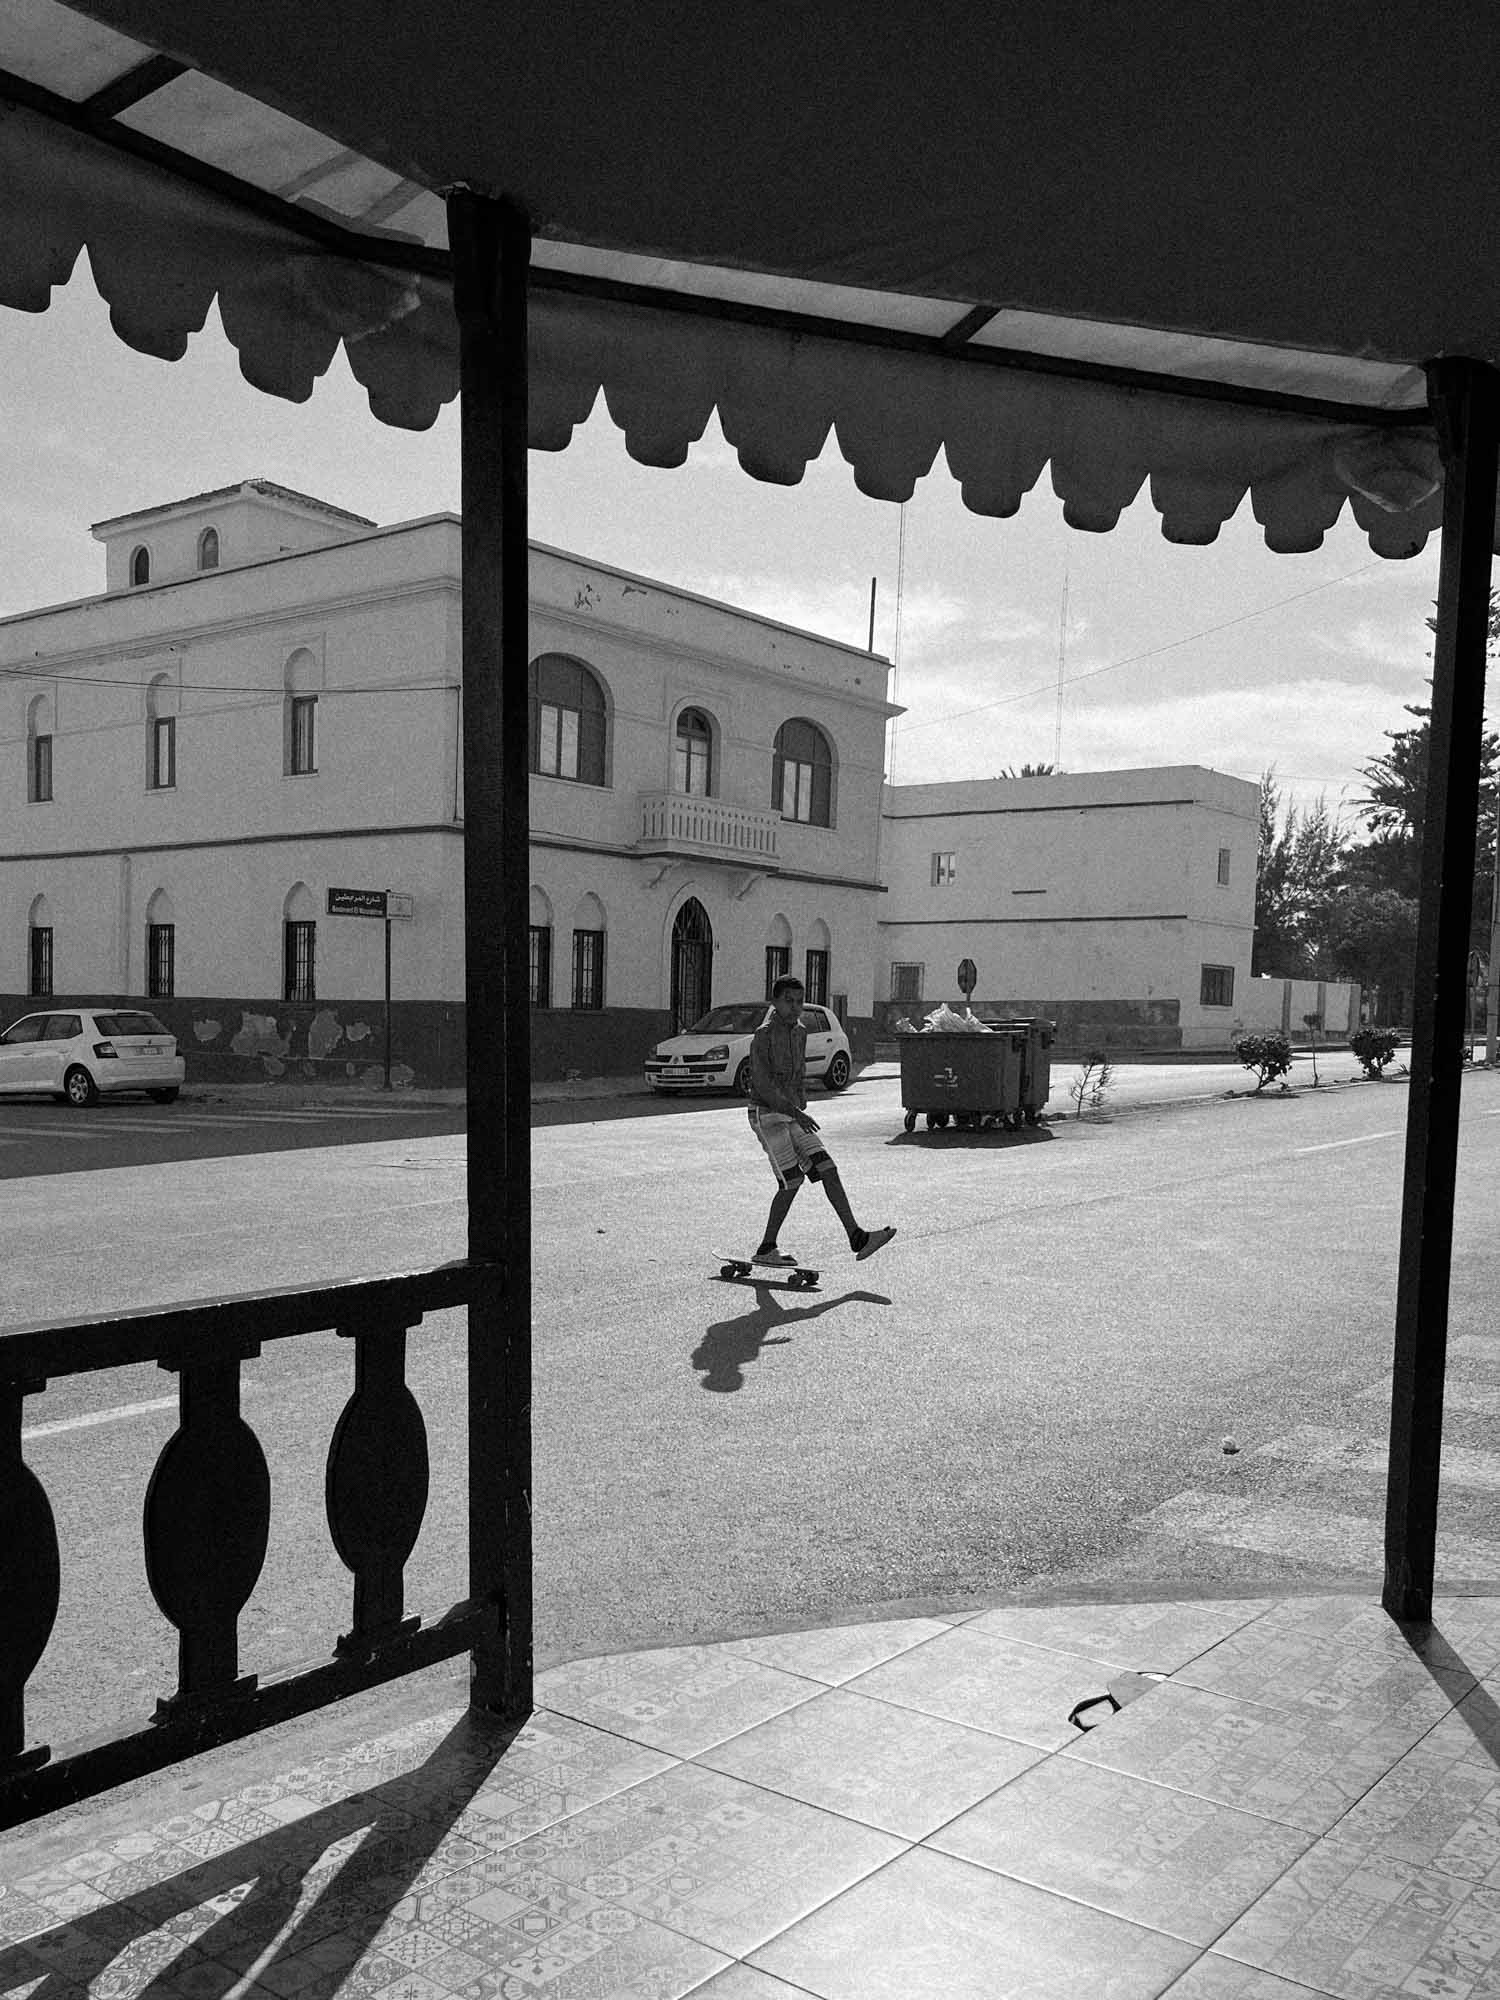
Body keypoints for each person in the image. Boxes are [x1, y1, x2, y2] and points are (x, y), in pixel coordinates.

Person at [745, 975, 895, 1268]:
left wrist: (801, 1097)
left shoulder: (800, 1032)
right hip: (767, 1115)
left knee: (828, 1168)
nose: (795, 1007)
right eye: (788, 1001)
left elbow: (799, 1069)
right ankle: (766, 1247)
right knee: (792, 1181)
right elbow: (762, 1085)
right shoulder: (763, 1036)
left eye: (799, 1001)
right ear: (774, 1002)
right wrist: (795, 1110)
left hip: (793, 1115)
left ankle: (857, 1237)